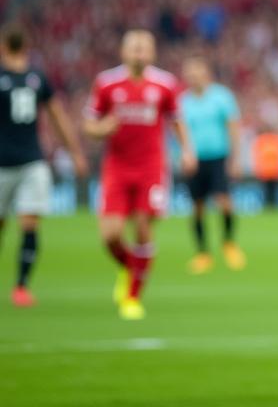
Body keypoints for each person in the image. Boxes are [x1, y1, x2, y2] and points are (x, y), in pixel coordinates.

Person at [83, 29, 196, 320]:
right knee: (111, 235)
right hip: (117, 168)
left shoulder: (165, 84)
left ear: (153, 53)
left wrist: (186, 150)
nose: (139, 53)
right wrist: (101, 130)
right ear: (123, 52)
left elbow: (176, 120)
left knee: (144, 227)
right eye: (134, 48)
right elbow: (89, 124)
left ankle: (133, 296)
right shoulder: (107, 84)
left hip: (151, 167)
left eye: (144, 48)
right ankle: (131, 265)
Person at [0, 27, 87, 307]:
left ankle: (22, 286)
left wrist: (74, 151)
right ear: (27, 45)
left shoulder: (36, 78)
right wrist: (74, 152)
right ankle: (22, 288)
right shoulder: (37, 78)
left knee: (29, 221)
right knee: (28, 224)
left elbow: (57, 116)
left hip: (29, 162)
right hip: (19, 160)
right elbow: (58, 117)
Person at [179, 56, 246, 274]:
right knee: (197, 208)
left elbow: (233, 128)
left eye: (197, 72)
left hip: (218, 158)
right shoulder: (183, 102)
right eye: (189, 73)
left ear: (206, 73)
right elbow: (179, 132)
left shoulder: (221, 97)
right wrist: (183, 154)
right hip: (194, 161)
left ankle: (228, 243)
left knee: (224, 202)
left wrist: (236, 159)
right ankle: (202, 253)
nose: (193, 76)